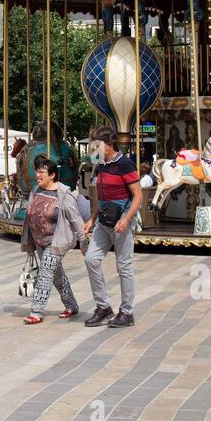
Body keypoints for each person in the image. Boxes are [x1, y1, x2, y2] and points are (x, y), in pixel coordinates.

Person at [83, 125, 141, 328]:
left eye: (96, 145)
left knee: (123, 266)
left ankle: (127, 312)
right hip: (103, 220)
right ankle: (103, 307)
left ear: (108, 145)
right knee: (91, 259)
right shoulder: (100, 164)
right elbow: (98, 192)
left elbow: (137, 196)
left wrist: (126, 219)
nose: (93, 149)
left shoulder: (125, 164)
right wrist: (92, 217)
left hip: (121, 221)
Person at [22, 159, 85, 324]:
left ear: (52, 175)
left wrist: (83, 241)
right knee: (57, 275)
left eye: (42, 172)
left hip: (56, 241)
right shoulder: (35, 190)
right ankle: (71, 305)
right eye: (37, 171)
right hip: (39, 240)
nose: (38, 175)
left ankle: (36, 311)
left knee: (45, 272)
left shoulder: (64, 194)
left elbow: (76, 219)